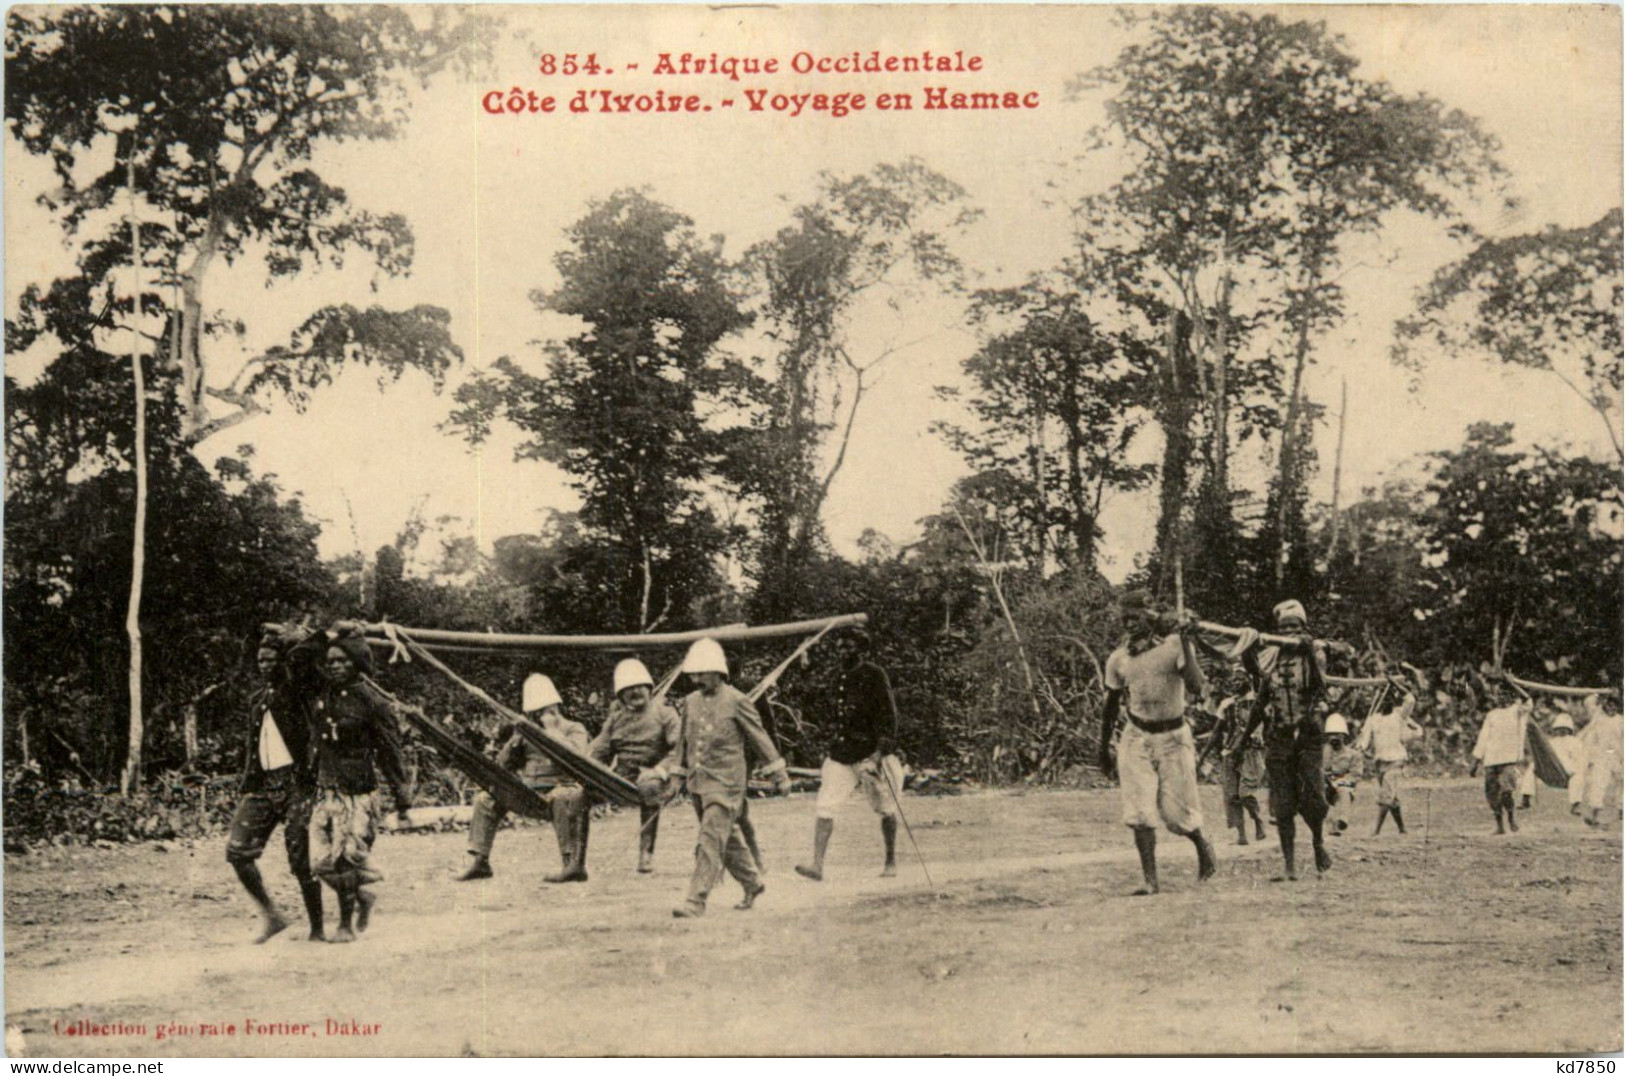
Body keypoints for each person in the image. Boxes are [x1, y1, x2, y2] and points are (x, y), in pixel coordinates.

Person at [1097, 590, 1217, 896]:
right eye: (1125, 617)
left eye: (1136, 616)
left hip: (1174, 738)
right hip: (1136, 737)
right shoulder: (1119, 659)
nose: (1130, 622)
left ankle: (1202, 843)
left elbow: (1195, 684)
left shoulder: (1173, 646)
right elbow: (1110, 705)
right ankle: (1151, 880)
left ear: (1150, 617)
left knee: (1178, 816)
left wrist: (1188, 644)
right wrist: (1103, 747)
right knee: (1139, 812)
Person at [671, 638, 791, 918]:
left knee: (709, 839)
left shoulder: (738, 701)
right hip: (699, 782)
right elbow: (682, 743)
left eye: (703, 674)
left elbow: (759, 737)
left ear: (719, 671)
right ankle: (753, 882)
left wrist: (779, 773)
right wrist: (677, 775)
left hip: (727, 784)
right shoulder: (689, 702)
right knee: (727, 840)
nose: (698, 680)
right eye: (694, 675)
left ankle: (695, 900)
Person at [308, 632, 412, 943]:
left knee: (346, 857)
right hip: (326, 788)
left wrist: (402, 799)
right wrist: (325, 634)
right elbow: (299, 658)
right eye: (330, 661)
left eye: (343, 660)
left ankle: (345, 923)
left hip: (358, 792)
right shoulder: (322, 693)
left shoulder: (372, 701)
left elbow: (392, 752)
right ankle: (363, 896)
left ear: (357, 663)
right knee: (321, 863)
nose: (336, 666)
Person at [224, 631, 323, 943]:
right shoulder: (258, 701)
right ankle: (272, 915)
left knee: (300, 858)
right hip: (264, 785)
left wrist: (291, 637)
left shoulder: (295, 690)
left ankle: (317, 928)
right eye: (260, 660)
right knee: (237, 852)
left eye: (270, 659)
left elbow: (310, 650)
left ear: (283, 660)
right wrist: (248, 783)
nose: (264, 665)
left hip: (296, 783)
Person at [456, 673, 593, 883]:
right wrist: (515, 741)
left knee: (567, 795)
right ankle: (480, 861)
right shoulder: (526, 732)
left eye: (545, 710)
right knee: (487, 798)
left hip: (561, 791)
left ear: (556, 706)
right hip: (530, 794)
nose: (541, 715)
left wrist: (552, 731)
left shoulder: (574, 729)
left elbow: (579, 757)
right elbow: (501, 766)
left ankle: (570, 864)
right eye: (536, 712)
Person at [795, 628, 903, 882]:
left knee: (885, 807)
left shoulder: (875, 675)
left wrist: (878, 754)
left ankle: (890, 860)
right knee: (826, 806)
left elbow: (889, 717)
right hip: (842, 753)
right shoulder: (838, 677)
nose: (844, 652)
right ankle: (817, 865)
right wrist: (805, 665)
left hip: (870, 754)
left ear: (862, 650)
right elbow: (815, 701)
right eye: (841, 647)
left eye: (850, 647)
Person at [1241, 599, 1331, 881]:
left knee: (1313, 800)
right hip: (1279, 738)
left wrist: (1309, 650)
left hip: (1308, 737)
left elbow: (1320, 687)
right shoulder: (1271, 656)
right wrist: (1243, 737)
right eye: (1283, 628)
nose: (1289, 632)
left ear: (1303, 628)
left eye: (1294, 626)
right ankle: (1289, 865)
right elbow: (1259, 698)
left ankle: (1318, 842)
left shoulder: (1314, 654)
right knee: (1282, 805)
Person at [590, 658, 681, 873]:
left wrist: (660, 770)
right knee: (576, 794)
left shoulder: (665, 714)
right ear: (621, 695)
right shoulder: (615, 719)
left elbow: (679, 749)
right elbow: (600, 751)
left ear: (649, 688)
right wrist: (592, 771)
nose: (635, 692)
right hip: (622, 779)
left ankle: (645, 854)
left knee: (648, 784)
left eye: (640, 687)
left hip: (656, 777)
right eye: (628, 689)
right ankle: (573, 861)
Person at [1353, 678, 1423, 835]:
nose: (1387, 703)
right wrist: (1360, 749)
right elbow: (1364, 740)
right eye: (1384, 700)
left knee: (1386, 795)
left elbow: (1410, 699)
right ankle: (1402, 828)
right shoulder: (1373, 719)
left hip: (1396, 760)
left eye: (1390, 699)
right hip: (1380, 762)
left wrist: (1395, 684)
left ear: (1394, 701)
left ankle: (1376, 830)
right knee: (1392, 797)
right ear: (1380, 703)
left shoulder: (1399, 715)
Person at [1469, 681, 1530, 835]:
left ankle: (1511, 819)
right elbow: (1483, 738)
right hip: (1491, 760)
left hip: (1509, 759)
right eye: (1499, 694)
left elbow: (1528, 701)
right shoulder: (1492, 715)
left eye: (1505, 694)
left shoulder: (1517, 711)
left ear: (1512, 696)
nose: (1501, 697)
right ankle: (1500, 825)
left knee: (1506, 791)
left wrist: (1513, 683)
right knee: (1492, 794)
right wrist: (1475, 761)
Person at [1215, 692, 1267, 846]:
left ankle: (1257, 820)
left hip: (1250, 752)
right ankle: (1242, 835)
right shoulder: (1226, 703)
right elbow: (1218, 729)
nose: (1236, 682)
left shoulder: (1257, 701)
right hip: (1229, 751)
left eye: (1240, 677)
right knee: (1231, 795)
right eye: (1234, 678)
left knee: (1245, 793)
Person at [1577, 694, 1623, 827]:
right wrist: (1600, 694)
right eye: (1609, 704)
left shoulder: (1621, 720)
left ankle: (1622, 810)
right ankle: (1594, 816)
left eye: (1614, 705)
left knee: (1622, 783)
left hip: (1618, 755)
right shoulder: (1598, 717)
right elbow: (1588, 702)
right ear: (1604, 706)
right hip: (1602, 756)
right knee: (1598, 784)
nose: (1611, 707)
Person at [1322, 712, 1362, 837]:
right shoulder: (1322, 752)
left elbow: (1355, 775)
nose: (1334, 738)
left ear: (1344, 736)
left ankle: (1340, 822)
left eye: (1337, 735)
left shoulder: (1353, 755)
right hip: (1324, 784)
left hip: (1343, 786)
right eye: (1331, 735)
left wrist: (1338, 783)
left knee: (1343, 793)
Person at [1547, 708, 1585, 815]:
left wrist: (1574, 771)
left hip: (1568, 772)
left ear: (1569, 730)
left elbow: (1579, 760)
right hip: (1552, 770)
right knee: (1533, 767)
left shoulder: (1575, 741)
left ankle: (1575, 805)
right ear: (1555, 729)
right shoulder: (1551, 742)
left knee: (1578, 777)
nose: (1562, 730)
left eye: (1565, 728)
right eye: (1559, 728)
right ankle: (1526, 797)